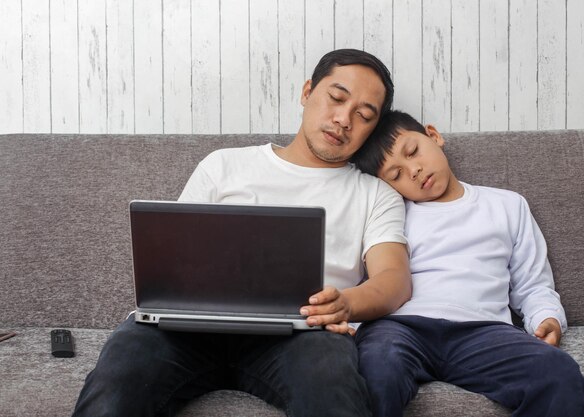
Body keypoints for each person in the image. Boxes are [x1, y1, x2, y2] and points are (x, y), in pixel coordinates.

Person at [71, 49, 412, 417]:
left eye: (363, 116)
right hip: (191, 330)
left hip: (304, 335)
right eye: (336, 98)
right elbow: (175, 257)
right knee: (123, 368)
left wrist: (346, 303)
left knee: (330, 378)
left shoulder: (376, 194)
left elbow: (394, 279)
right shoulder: (224, 164)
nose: (343, 119)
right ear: (307, 91)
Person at [351, 110, 584, 417]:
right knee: (377, 368)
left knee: (560, 374)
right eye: (396, 175)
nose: (413, 170)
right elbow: (366, 282)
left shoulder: (507, 205)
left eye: (413, 152)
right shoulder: (389, 215)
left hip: (482, 331)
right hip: (401, 328)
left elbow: (533, 287)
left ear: (434, 136)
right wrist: (351, 324)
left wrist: (547, 318)